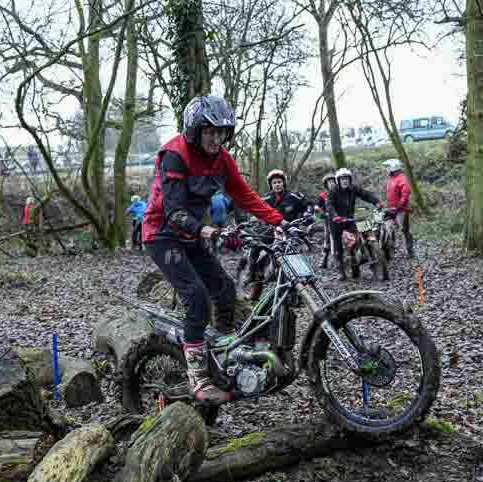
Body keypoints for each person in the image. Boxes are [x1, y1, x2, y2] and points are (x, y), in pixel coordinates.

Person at [141, 94, 286, 405]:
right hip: (162, 235)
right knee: (195, 298)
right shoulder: (174, 155)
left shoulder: (222, 159)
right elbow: (173, 211)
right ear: (194, 131)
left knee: (224, 289)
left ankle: (221, 353)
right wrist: (206, 229)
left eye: (221, 132)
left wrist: (278, 221)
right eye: (209, 131)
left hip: (191, 234)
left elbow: (244, 195)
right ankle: (199, 379)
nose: (215, 138)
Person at [245, 169, 309, 299]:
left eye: (279, 182)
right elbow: (256, 211)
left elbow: (307, 208)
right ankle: (252, 280)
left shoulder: (293, 197)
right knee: (255, 248)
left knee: (294, 261)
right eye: (274, 183)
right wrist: (254, 220)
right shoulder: (265, 199)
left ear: (284, 183)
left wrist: (305, 220)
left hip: (289, 232)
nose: (277, 185)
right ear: (271, 185)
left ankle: (298, 293)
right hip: (270, 231)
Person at [326, 167, 381, 281]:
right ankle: (341, 271)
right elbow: (329, 205)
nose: (344, 181)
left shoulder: (353, 189)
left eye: (346, 178)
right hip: (336, 222)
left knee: (355, 241)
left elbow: (365, 194)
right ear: (338, 181)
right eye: (342, 179)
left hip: (349, 220)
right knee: (338, 247)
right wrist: (335, 216)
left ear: (350, 180)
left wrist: (376, 202)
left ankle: (356, 267)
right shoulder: (333, 192)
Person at [383, 159, 414, 259]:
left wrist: (399, 205)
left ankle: (409, 251)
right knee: (387, 228)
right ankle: (391, 250)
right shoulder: (390, 178)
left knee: (404, 230)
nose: (386, 169)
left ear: (394, 167)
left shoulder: (402, 178)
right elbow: (389, 194)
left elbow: (405, 194)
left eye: (388, 167)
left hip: (401, 209)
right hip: (391, 208)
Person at [316, 174, 337, 269]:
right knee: (328, 238)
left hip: (340, 218)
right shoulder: (322, 195)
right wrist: (319, 214)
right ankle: (324, 259)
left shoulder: (340, 193)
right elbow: (317, 207)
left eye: (333, 182)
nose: (332, 184)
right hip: (328, 219)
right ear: (326, 185)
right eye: (329, 182)